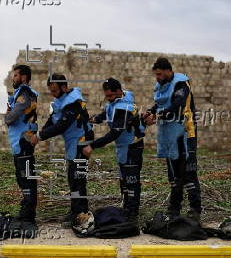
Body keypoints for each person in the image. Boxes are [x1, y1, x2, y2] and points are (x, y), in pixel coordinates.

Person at [30, 73, 94, 230]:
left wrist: (40, 136)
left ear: (64, 87)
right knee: (73, 180)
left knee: (77, 180)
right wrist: (41, 133)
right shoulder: (60, 101)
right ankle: (76, 211)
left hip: (82, 143)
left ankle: (81, 215)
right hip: (73, 143)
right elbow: (53, 120)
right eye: (51, 91)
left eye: (55, 90)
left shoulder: (73, 101)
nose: (53, 94)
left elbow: (62, 125)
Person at [142, 57, 202, 222]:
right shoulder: (161, 86)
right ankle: (174, 210)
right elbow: (158, 104)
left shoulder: (181, 84)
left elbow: (177, 106)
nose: (158, 78)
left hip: (185, 134)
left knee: (188, 173)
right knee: (174, 175)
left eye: (160, 74)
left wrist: (156, 116)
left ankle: (195, 211)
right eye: (156, 75)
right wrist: (149, 111)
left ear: (168, 71)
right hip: (169, 136)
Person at [82, 78, 145, 223]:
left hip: (132, 147)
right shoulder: (117, 101)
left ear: (118, 91)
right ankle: (126, 207)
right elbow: (107, 112)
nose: (108, 99)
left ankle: (132, 213)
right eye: (106, 96)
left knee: (131, 180)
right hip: (123, 147)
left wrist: (92, 145)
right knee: (123, 179)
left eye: (110, 96)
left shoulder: (125, 108)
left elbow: (113, 134)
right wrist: (96, 118)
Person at [5, 64, 39, 224]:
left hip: (23, 141)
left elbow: (11, 118)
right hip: (20, 142)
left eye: (16, 75)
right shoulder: (20, 94)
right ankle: (26, 212)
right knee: (23, 178)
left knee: (26, 179)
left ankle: (28, 215)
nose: (13, 78)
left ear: (24, 77)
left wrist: (8, 116)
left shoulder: (24, 94)